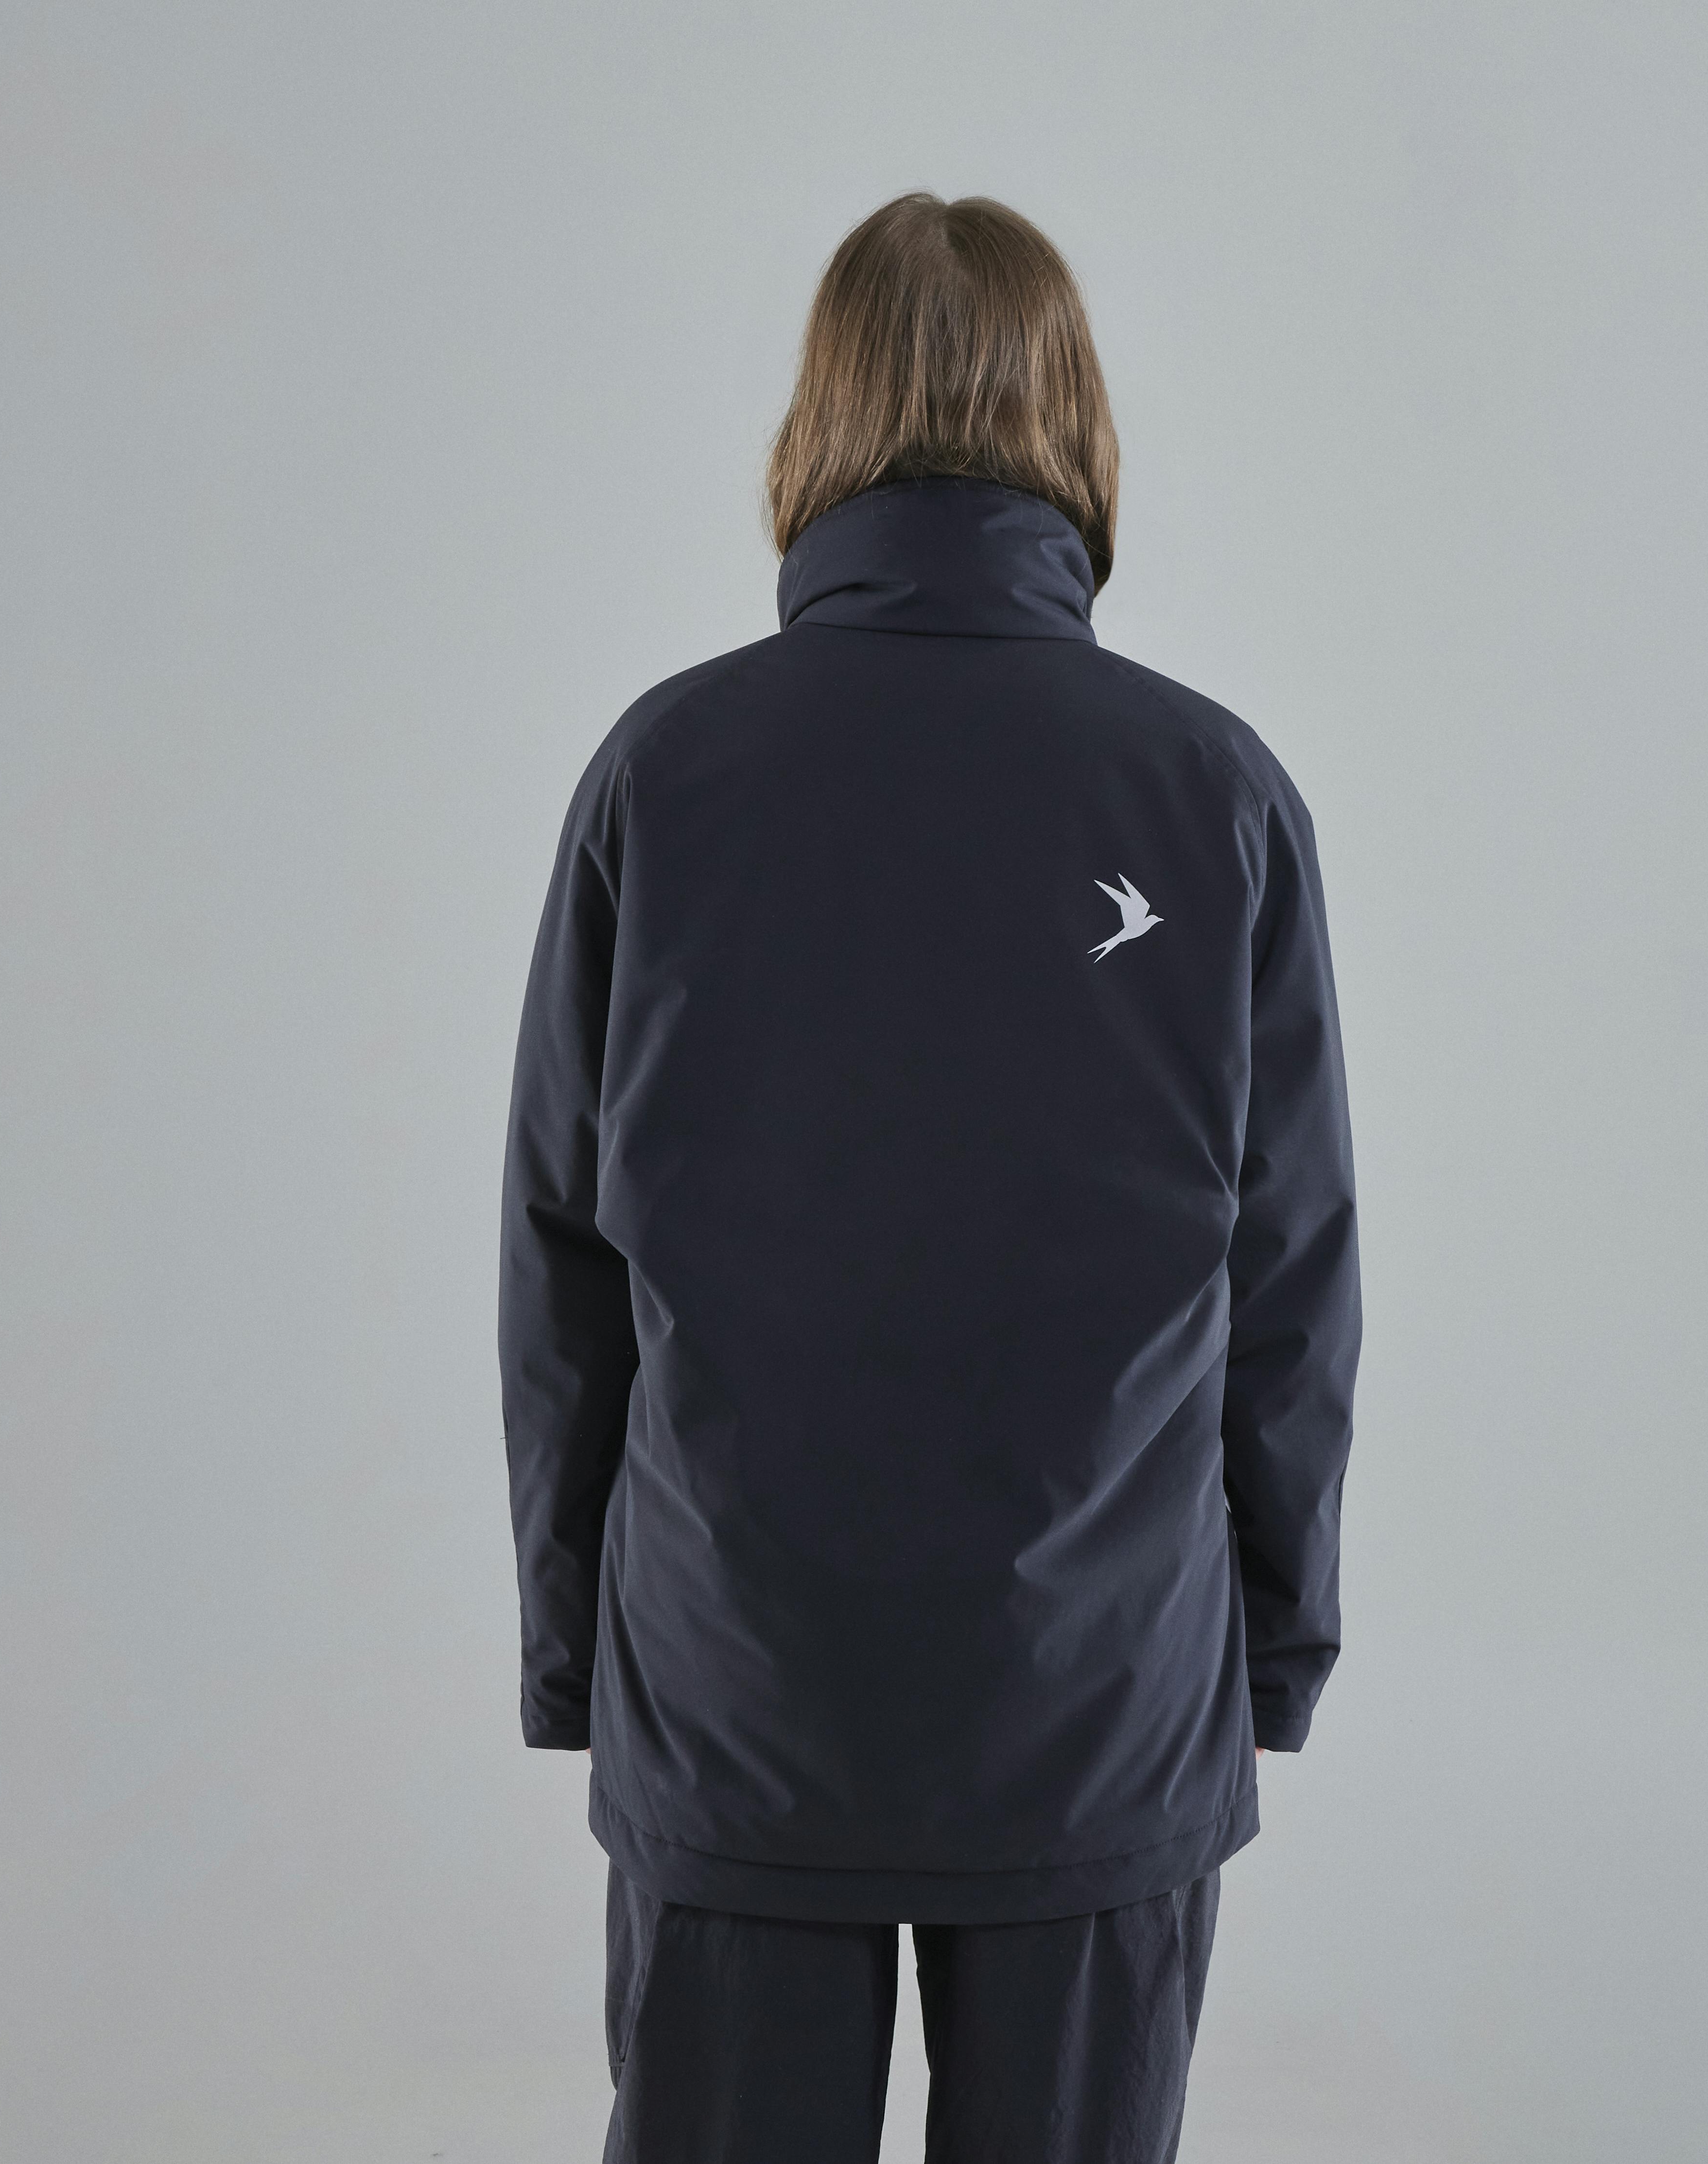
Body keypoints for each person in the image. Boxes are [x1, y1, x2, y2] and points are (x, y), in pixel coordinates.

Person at [499, 191, 1361, 2164]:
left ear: (821, 415)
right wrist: (1269, 1647)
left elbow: (564, 1256)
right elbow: (1289, 1271)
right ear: (1075, 419)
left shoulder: (667, 773)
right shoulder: (1210, 790)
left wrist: (578, 1655)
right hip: (1102, 1698)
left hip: (737, 1690)